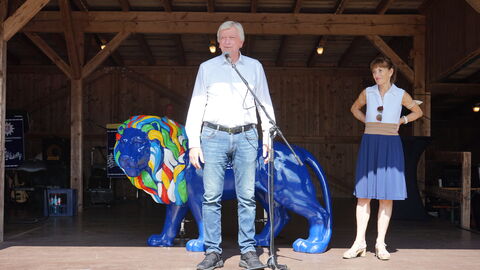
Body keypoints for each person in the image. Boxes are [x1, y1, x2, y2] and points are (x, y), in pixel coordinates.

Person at [185, 21, 275, 270]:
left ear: (241, 42)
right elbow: (196, 105)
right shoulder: (207, 68)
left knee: (247, 196)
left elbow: (264, 104)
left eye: (231, 37)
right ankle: (213, 251)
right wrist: (194, 143)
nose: (226, 41)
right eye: (222, 37)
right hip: (213, 136)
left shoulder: (254, 67)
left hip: (247, 136)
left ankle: (248, 251)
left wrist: (267, 138)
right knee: (211, 196)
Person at [344, 56, 423, 260]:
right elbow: (354, 109)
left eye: (380, 70)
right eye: (374, 72)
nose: (377, 75)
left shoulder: (401, 94)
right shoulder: (367, 92)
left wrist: (402, 120)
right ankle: (359, 242)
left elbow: (418, 111)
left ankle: (380, 243)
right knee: (364, 195)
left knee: (386, 196)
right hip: (370, 142)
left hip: (390, 144)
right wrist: (368, 123)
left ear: (390, 72)